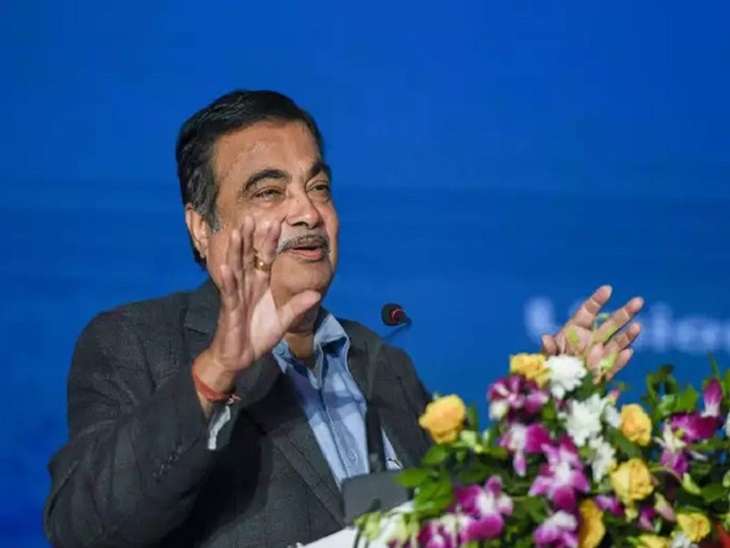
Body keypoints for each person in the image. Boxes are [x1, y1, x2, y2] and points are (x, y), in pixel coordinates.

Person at [42, 90, 644, 548]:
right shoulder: (137, 343)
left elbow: (457, 521)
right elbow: (84, 528)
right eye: (269, 192)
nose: (307, 212)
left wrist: (549, 408)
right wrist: (218, 370)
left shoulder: (381, 365)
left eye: (319, 187)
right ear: (203, 228)